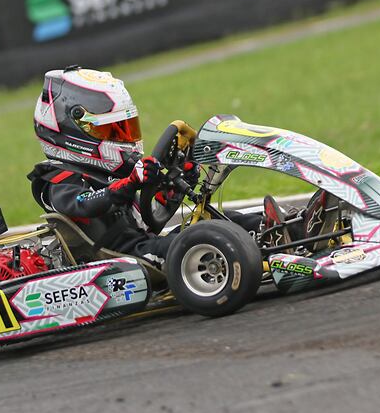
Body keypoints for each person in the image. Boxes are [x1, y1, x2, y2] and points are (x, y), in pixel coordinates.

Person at [27, 66, 294, 266]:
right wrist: (131, 183)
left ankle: (292, 228)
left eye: (125, 128)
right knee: (202, 238)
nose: (124, 138)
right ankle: (263, 250)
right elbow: (84, 203)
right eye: (114, 131)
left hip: (147, 244)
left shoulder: (107, 170)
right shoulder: (58, 178)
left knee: (225, 220)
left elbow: (150, 214)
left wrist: (178, 183)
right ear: (71, 133)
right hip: (126, 259)